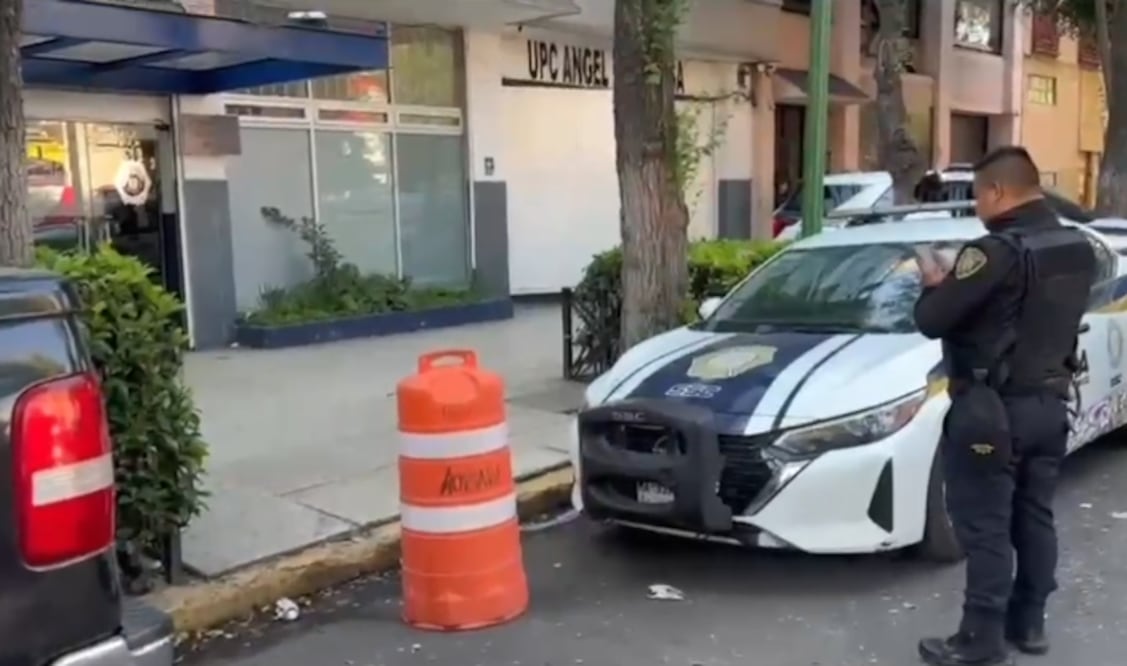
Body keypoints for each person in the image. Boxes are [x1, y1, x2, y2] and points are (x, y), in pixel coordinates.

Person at [912, 146, 1096, 666]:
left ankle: (980, 640)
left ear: (996, 192)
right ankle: (1029, 623)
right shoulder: (1076, 245)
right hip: (1050, 403)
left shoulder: (995, 252)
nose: (976, 207)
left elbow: (932, 320)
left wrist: (935, 284)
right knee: (1034, 516)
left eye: (976, 196)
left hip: (992, 411)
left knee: (986, 527)